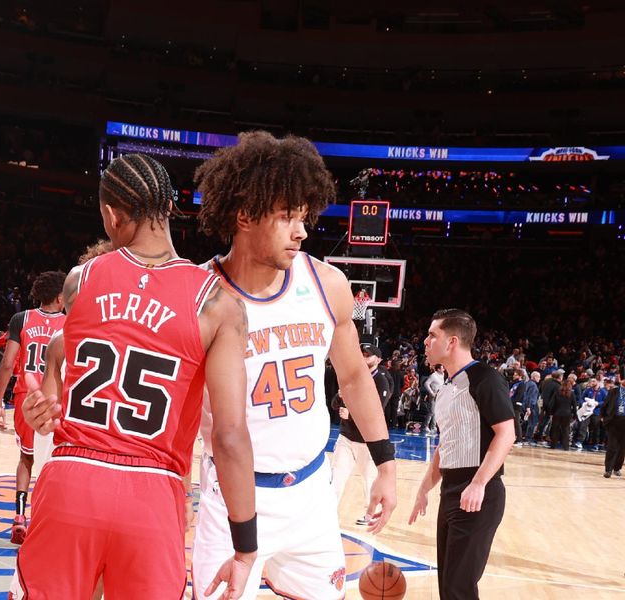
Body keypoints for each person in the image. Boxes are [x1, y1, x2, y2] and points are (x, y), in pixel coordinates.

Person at [14, 154, 257, 599]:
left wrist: (41, 412)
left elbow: (68, 371)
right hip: (153, 495)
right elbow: (229, 434)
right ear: (169, 207)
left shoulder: (77, 281)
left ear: (111, 214)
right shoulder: (219, 304)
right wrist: (244, 549)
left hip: (71, 481)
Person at [192, 131, 397, 599]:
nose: (301, 231)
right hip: (233, 502)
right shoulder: (200, 295)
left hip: (311, 496)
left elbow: (353, 377)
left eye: (303, 216)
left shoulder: (327, 283)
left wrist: (385, 464)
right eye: (287, 217)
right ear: (244, 216)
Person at [409, 309, 515, 600]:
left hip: (479, 493)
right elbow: (447, 445)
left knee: (459, 589)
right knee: (448, 587)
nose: (425, 341)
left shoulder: (485, 378)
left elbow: (507, 433)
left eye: (432, 335)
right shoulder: (445, 389)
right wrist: (423, 490)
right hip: (451, 491)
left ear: (452, 341)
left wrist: (479, 483)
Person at [0, 270, 66, 544]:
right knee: (56, 462)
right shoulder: (70, 322)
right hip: (57, 397)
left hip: (26, 395)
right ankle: (50, 520)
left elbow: (8, 363)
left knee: (26, 458)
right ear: (61, 297)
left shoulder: (21, 318)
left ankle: (20, 517)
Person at [330, 344, 392, 526]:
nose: (364, 357)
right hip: (347, 437)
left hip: (368, 441)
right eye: (362, 354)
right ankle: (327, 515)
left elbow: (376, 411)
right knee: (336, 477)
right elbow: (334, 403)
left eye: (368, 355)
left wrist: (352, 414)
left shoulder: (381, 379)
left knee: (370, 479)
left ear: (378, 360)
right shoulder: (353, 375)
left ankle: (371, 514)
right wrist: (341, 397)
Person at [601, 376, 625, 478]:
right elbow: (605, 405)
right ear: (622, 381)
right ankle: (608, 470)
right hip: (614, 422)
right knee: (612, 446)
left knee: (622, 448)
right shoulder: (613, 391)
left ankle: (617, 468)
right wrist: (602, 417)